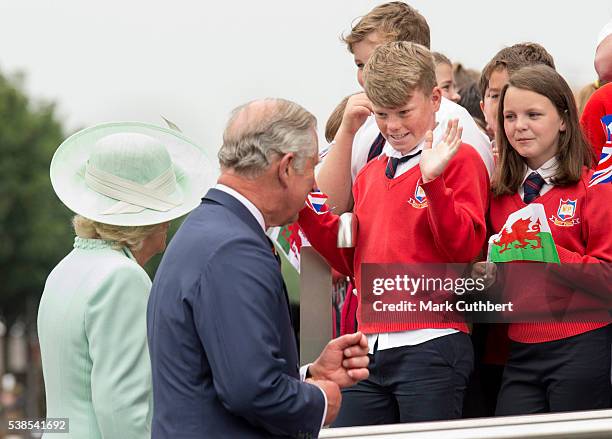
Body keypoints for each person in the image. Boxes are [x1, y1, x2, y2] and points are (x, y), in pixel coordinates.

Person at [147, 98, 370, 439]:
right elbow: (251, 390)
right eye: (311, 169)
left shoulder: (208, 230)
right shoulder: (234, 248)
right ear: (285, 167)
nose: (314, 186)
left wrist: (308, 374)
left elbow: (225, 369)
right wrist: (319, 398)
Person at [299, 41, 488, 426]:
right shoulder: (369, 174)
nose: (394, 126)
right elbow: (352, 263)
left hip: (432, 342)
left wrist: (433, 182)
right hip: (368, 346)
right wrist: (301, 205)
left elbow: (464, 249)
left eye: (404, 112)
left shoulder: (460, 158)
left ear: (435, 98)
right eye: (382, 114)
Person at [38, 122, 214, 439]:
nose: (171, 221)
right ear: (148, 221)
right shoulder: (123, 278)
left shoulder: (64, 268)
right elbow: (121, 409)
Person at [488, 65, 612, 415]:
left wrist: (549, 254)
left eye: (533, 114)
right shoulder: (498, 193)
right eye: (509, 116)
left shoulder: (594, 188)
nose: (519, 125)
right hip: (519, 349)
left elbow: (608, 278)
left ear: (563, 119)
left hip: (581, 345)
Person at [316, 1, 493, 214]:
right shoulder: (365, 122)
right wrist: (346, 133)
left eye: (373, 63)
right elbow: (326, 208)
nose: (364, 77)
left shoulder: (455, 125)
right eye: (360, 65)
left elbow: (471, 220)